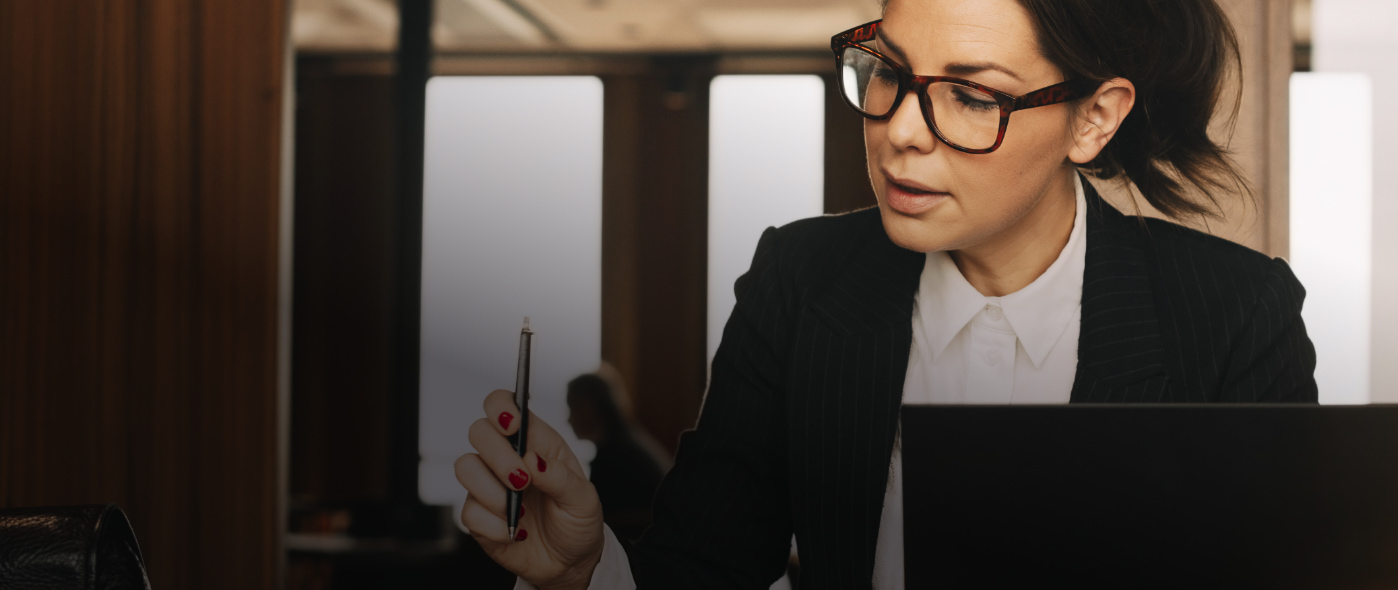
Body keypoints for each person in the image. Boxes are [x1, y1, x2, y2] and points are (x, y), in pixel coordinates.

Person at [454, 0, 1317, 588]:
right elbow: (701, 572)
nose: (900, 128)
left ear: (1094, 118)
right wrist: (584, 568)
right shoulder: (800, 281)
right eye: (889, 70)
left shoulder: (1237, 314)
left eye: (973, 95)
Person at [563, 366, 673, 547]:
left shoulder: (613, 456)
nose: (569, 419)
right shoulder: (628, 440)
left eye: (572, 407)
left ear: (587, 407)